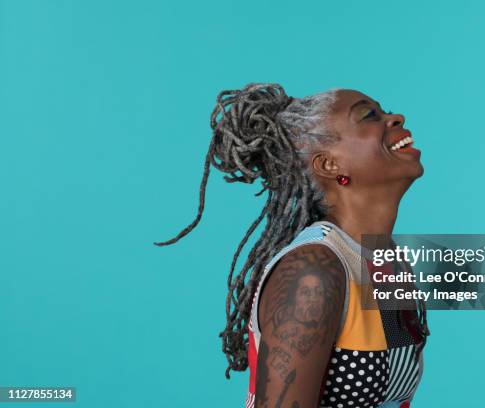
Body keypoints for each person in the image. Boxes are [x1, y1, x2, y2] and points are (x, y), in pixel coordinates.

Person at [155, 83, 430, 408]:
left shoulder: (388, 261)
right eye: (370, 116)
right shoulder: (314, 271)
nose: (395, 118)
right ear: (330, 166)